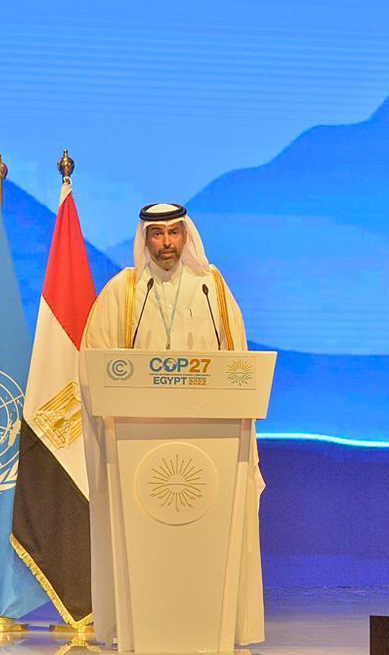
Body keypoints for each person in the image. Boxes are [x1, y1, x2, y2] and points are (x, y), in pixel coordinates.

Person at [79, 203, 266, 646]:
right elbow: (93, 366)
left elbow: (239, 366)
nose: (166, 244)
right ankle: (137, 624)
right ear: (144, 239)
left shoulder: (212, 289)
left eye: (174, 233)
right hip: (133, 446)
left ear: (187, 236)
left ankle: (213, 623)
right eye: (157, 234)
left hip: (211, 443)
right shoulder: (123, 293)